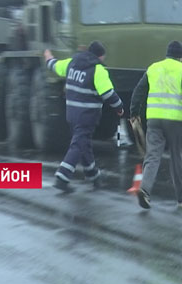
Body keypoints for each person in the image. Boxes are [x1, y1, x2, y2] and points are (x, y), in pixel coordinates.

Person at [130, 40, 182, 209]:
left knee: (152, 156)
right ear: (181, 57)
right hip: (175, 121)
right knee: (176, 157)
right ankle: (181, 197)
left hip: (154, 119)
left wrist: (133, 112)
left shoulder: (153, 68)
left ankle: (145, 190)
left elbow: (139, 91)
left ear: (167, 54)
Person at [44, 41, 124, 193]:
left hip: (72, 112)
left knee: (83, 143)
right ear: (100, 56)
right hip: (87, 115)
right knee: (78, 145)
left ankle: (93, 176)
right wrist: (120, 108)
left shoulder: (72, 62)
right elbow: (108, 94)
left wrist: (48, 57)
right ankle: (62, 177)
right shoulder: (98, 70)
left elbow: (55, 66)